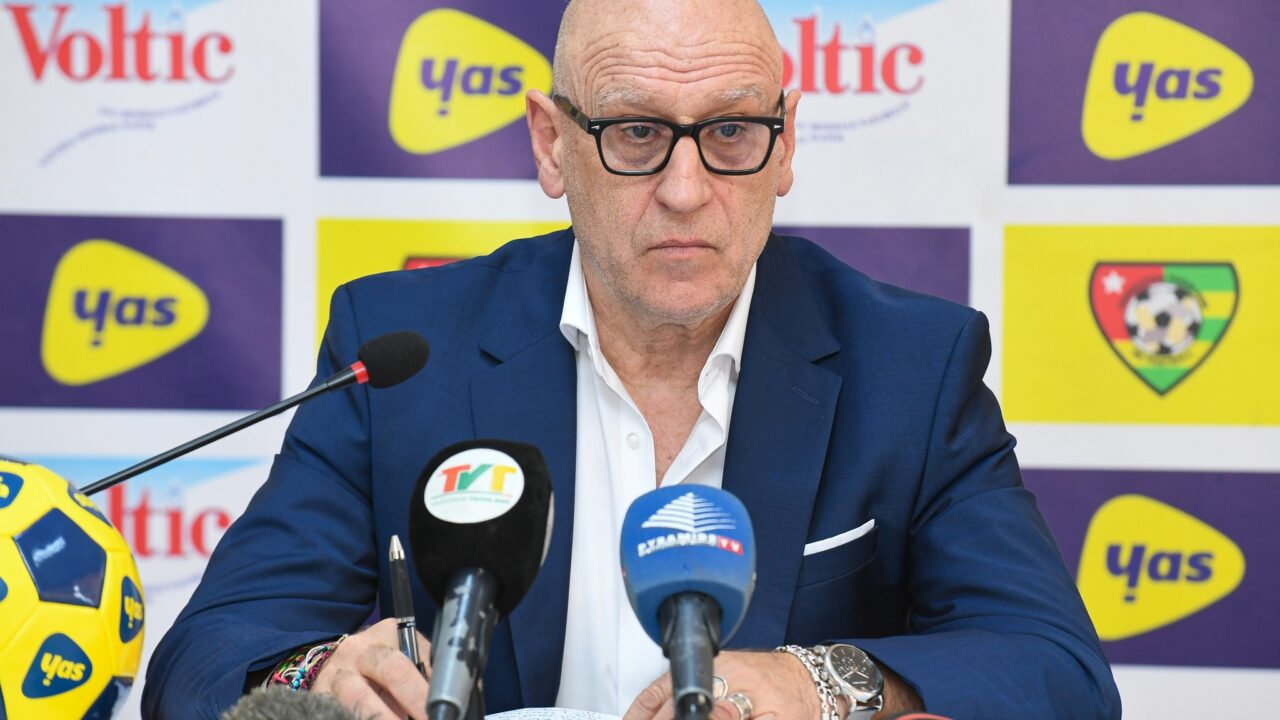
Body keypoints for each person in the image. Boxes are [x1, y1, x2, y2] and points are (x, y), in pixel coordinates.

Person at [144, 1, 1121, 718]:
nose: (687, 189)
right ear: (550, 144)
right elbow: (203, 660)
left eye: (730, 132)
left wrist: (821, 682)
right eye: (637, 133)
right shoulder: (404, 352)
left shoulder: (909, 367)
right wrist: (319, 677)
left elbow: (1056, 672)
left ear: (785, 144)